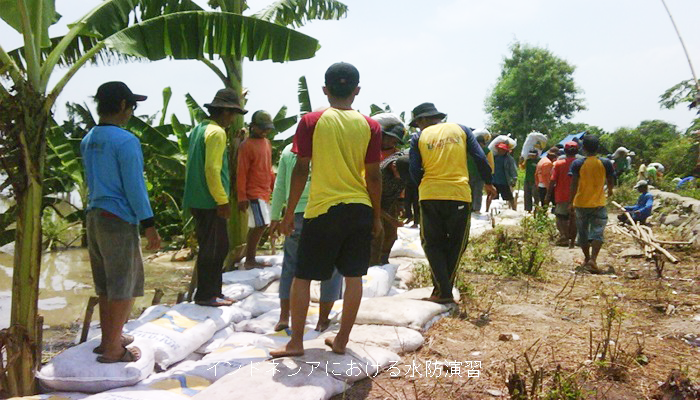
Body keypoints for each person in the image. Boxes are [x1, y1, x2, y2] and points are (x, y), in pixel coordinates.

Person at [270, 62, 382, 358]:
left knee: (302, 277)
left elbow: (300, 170)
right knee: (353, 277)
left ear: (325, 90)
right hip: (359, 208)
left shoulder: (311, 121)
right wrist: (377, 216)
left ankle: (295, 343)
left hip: (323, 210)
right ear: (357, 91)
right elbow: (373, 175)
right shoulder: (370, 125)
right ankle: (342, 341)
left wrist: (288, 212)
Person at [81, 81, 161, 363]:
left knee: (105, 286)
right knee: (124, 287)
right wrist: (149, 224)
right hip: (117, 219)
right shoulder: (126, 141)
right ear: (123, 106)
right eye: (132, 106)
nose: (131, 113)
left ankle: (108, 340)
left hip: (93, 217)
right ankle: (115, 348)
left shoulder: (89, 138)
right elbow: (134, 187)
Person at [408, 102, 496, 304]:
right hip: (459, 194)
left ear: (422, 120)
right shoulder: (462, 130)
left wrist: (425, 185)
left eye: (417, 123)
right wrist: (488, 183)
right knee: (456, 243)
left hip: (430, 195)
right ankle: (444, 290)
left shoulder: (418, 137)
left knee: (432, 243)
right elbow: (480, 158)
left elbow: (414, 170)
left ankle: (442, 291)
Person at [183, 88, 247, 307]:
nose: (233, 120)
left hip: (197, 199)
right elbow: (212, 169)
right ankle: (206, 295)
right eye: (233, 115)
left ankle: (214, 292)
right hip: (210, 200)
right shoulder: (217, 133)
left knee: (213, 246)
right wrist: (222, 200)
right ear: (226, 113)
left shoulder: (199, 129)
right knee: (215, 248)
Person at [269, 144, 342, 332]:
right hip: (326, 212)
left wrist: (276, 217)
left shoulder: (288, 151)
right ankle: (323, 320)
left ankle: (284, 317)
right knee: (332, 266)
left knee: (291, 266)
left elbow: (280, 186)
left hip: (297, 215)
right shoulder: (328, 147)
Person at [569, 135, 615, 273]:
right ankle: (593, 260)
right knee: (598, 232)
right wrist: (611, 190)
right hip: (599, 203)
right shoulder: (606, 163)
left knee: (583, 233)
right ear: (598, 147)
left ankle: (587, 258)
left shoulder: (578, 163)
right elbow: (611, 179)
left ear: (583, 148)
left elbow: (574, 184)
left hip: (581, 203)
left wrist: (571, 202)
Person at [237, 110, 276, 269]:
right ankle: (250, 259)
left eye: (267, 128)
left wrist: (273, 187)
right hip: (253, 192)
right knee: (260, 224)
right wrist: (241, 196)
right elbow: (242, 172)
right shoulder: (246, 146)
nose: (265, 131)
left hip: (264, 191)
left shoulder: (267, 143)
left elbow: (269, 168)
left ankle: (250, 257)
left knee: (260, 224)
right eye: (262, 128)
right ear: (253, 127)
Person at [370, 123, 408, 265]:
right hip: (371, 197)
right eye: (392, 138)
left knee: (390, 235)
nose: (393, 142)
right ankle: (372, 266)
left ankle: (383, 264)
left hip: (390, 199)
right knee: (376, 235)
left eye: (396, 141)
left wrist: (401, 203)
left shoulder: (398, 155)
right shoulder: (371, 151)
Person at [546, 141, 579, 247]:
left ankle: (564, 236)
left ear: (564, 151)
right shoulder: (581, 163)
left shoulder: (559, 164)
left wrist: (548, 195)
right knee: (574, 217)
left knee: (560, 217)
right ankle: (573, 239)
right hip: (578, 195)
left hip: (562, 195)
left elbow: (552, 181)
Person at [467, 134, 494, 213]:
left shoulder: (486, 151)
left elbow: (491, 164)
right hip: (472, 173)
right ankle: (472, 208)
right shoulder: (471, 150)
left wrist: (489, 176)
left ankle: (476, 208)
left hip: (480, 175)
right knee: (472, 191)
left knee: (477, 191)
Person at [487, 142, 517, 212]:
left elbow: (513, 170)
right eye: (499, 149)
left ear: (505, 151)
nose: (500, 151)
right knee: (491, 196)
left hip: (504, 181)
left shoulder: (509, 159)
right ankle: (487, 210)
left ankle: (514, 210)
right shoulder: (494, 157)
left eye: (502, 150)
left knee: (509, 197)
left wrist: (514, 179)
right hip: (494, 180)